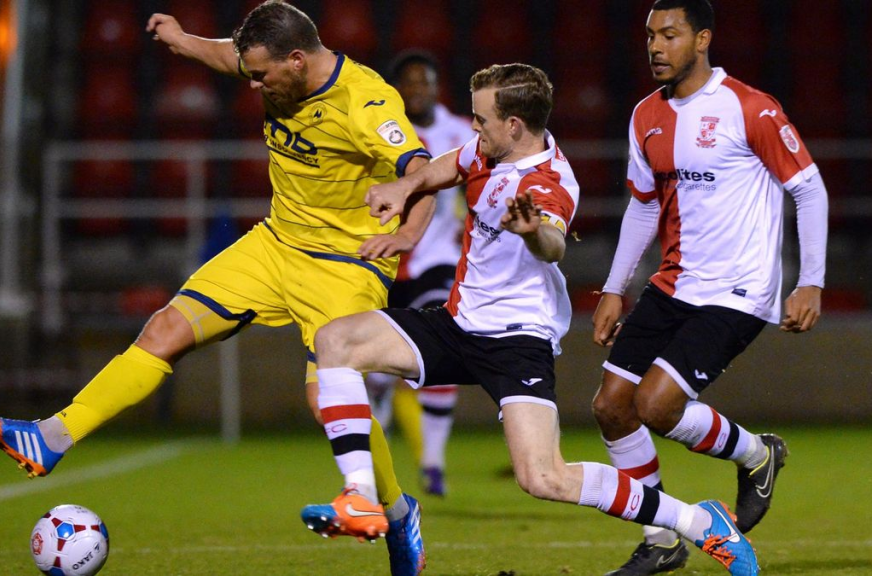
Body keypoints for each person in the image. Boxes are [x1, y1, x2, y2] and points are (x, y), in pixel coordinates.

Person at [0, 2, 432, 574]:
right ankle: (51, 437)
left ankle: (396, 511)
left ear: (296, 60)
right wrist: (183, 38)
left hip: (347, 264)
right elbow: (226, 57)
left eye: (261, 75)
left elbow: (422, 169)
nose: (254, 85)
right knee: (164, 328)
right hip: (276, 244)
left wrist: (407, 232)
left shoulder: (366, 101)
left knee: (325, 400)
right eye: (250, 73)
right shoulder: (274, 66)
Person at [305, 62, 760, 576]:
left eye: (481, 120)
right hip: (457, 325)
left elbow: (554, 243)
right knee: (335, 341)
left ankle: (698, 521)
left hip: (516, 342)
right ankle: (362, 495)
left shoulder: (548, 182)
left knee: (544, 478)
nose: (473, 128)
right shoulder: (488, 148)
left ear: (514, 125)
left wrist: (531, 232)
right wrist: (404, 187)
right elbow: (447, 165)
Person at [590, 1, 828, 574]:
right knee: (612, 408)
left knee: (656, 405)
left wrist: (811, 281)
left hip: (739, 290)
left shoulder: (750, 107)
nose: (655, 46)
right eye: (650, 35)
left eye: (669, 35)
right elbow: (642, 206)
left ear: (702, 39)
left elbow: (809, 189)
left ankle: (756, 453)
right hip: (674, 283)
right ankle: (661, 538)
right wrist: (614, 288)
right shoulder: (646, 114)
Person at [364, 50, 475, 497]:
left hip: (436, 258)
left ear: (436, 87)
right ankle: (377, 463)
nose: (417, 90)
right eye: (408, 82)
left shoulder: (460, 132)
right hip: (383, 259)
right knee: (376, 369)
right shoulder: (378, 132)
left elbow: (486, 184)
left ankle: (432, 462)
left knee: (443, 345)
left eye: (424, 81)